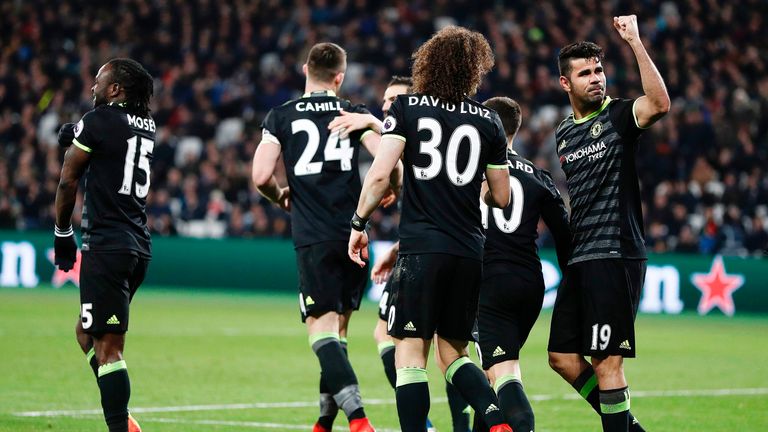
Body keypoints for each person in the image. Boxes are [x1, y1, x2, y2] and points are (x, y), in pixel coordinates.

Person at [347, 26, 513, 432]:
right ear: (474, 70)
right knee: (454, 354)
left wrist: (358, 223)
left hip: (422, 248)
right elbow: (502, 197)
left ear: (429, 63)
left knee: (409, 357)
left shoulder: (407, 108)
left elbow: (380, 174)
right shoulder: (489, 121)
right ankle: (497, 424)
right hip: (469, 249)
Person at [252, 42, 397, 432]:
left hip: (313, 236)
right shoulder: (355, 113)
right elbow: (388, 157)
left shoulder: (280, 116)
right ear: (340, 77)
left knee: (321, 331)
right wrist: (391, 185)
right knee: (339, 332)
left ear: (305, 70)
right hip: (354, 234)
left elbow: (261, 175)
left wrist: (279, 196)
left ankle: (359, 420)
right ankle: (323, 423)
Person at [547, 15, 670, 432]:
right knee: (562, 358)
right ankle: (629, 427)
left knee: (606, 364)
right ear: (566, 84)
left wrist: (634, 42)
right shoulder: (563, 133)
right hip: (581, 259)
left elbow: (658, 104)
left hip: (614, 253)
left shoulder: (618, 116)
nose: (595, 78)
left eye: (598, 69)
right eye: (585, 73)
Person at [330, 76, 470, 432]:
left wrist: (375, 124)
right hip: (429, 248)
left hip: (431, 254)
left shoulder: (417, 129)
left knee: (438, 353)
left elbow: (403, 171)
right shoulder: (423, 131)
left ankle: (444, 425)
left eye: (395, 98)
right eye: (384, 100)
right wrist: (395, 249)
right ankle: (441, 423)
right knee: (392, 336)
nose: (387, 105)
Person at [54, 58, 155, 432]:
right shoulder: (147, 125)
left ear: (116, 89)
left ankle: (118, 426)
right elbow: (107, 139)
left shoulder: (98, 122)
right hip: (137, 247)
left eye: (99, 81)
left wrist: (62, 233)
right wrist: (79, 130)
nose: (93, 87)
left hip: (107, 245)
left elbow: (68, 181)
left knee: (109, 350)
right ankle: (122, 419)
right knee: (85, 333)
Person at [472, 96, 571, 432]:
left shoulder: (471, 170)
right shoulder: (540, 177)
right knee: (491, 373)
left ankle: (523, 425)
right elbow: (565, 235)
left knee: (501, 373)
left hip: (489, 282)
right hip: (530, 283)